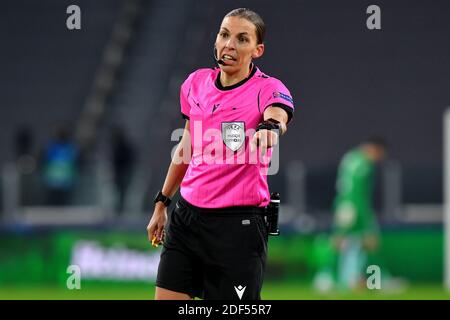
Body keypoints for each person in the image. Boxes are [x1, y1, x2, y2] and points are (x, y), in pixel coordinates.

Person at [146, 8, 295, 300]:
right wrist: (162, 202)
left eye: (242, 39)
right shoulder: (195, 84)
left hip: (238, 227)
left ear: (257, 50)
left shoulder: (267, 88)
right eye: (224, 34)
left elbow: (278, 113)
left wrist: (270, 128)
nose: (230, 44)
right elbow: (186, 148)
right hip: (187, 219)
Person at [331, 137, 387, 290]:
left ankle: (344, 280)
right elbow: (358, 193)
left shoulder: (350, 157)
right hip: (354, 207)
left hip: (342, 204)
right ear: (375, 149)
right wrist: (366, 220)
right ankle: (376, 279)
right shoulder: (364, 164)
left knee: (344, 244)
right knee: (368, 241)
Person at [110, 126, 136, 215]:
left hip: (122, 173)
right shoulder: (117, 146)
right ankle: (119, 208)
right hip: (121, 173)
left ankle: (120, 209)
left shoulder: (120, 147)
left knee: (121, 191)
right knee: (120, 191)